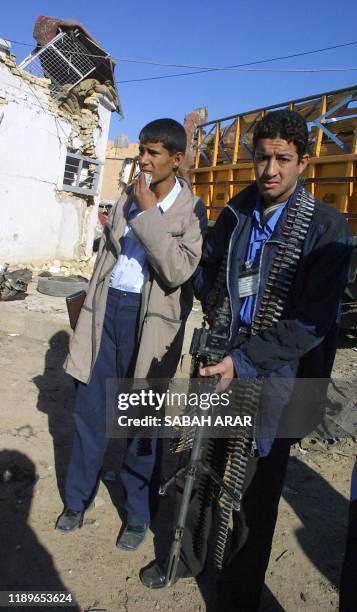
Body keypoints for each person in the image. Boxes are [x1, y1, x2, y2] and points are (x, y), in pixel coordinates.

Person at [139, 110, 352, 609]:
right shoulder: (237, 210)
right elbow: (208, 268)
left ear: (304, 160)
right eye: (262, 157)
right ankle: (184, 557)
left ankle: (237, 591)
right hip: (220, 364)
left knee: (254, 492)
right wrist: (219, 312)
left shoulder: (328, 228)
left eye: (282, 159)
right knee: (199, 460)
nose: (270, 170)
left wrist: (247, 356)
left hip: (280, 377)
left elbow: (310, 322)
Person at [55, 118, 206, 552]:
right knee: (89, 414)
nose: (142, 159)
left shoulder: (189, 210)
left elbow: (178, 270)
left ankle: (138, 516)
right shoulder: (126, 198)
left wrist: (150, 215)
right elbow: (107, 258)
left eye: (152, 153)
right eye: (141, 149)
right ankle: (76, 501)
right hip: (107, 315)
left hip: (149, 328)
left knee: (140, 426)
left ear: (175, 161)